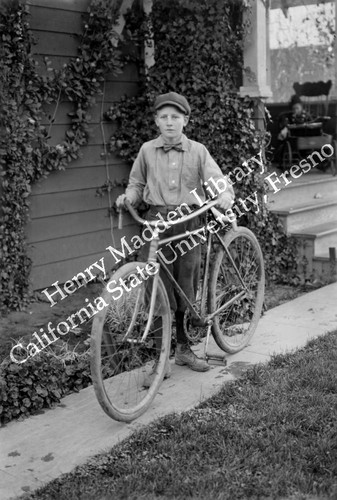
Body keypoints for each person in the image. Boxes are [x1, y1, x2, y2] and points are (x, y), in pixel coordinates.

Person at [116, 91, 235, 383]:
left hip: (189, 222)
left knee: (185, 283)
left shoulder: (198, 151)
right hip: (156, 221)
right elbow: (136, 183)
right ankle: (161, 359)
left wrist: (223, 195)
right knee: (155, 285)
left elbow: (216, 179)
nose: (170, 123)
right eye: (164, 117)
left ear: (185, 121)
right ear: (156, 121)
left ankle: (184, 349)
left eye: (175, 117)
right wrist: (128, 197)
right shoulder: (146, 151)